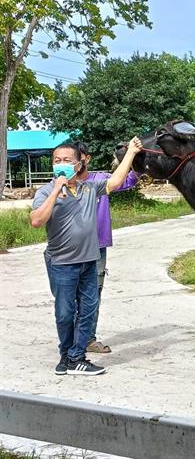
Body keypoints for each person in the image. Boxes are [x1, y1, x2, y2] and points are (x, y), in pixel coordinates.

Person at [30, 138, 142, 376]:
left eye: (67, 160)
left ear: (79, 164)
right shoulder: (45, 191)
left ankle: (75, 357)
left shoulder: (90, 188)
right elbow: (37, 220)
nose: (61, 164)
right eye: (57, 161)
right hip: (62, 264)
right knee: (65, 313)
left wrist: (131, 152)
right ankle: (66, 356)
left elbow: (117, 180)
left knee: (89, 309)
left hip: (89, 261)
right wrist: (56, 191)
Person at [74, 142, 139, 354]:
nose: (73, 162)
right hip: (69, 249)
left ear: (87, 158)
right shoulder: (60, 184)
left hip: (97, 246)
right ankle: (71, 339)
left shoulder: (100, 180)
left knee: (93, 293)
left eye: (78, 156)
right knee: (69, 294)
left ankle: (87, 339)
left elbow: (128, 180)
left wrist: (135, 158)